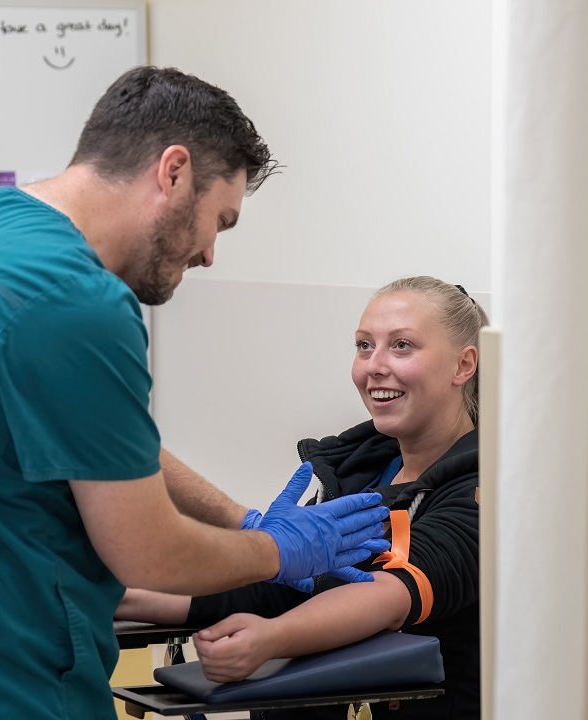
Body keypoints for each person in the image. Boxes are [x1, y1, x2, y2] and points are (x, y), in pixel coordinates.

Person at [0, 66, 390, 720]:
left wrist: (240, 517)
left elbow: (95, 441)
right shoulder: (76, 301)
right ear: (172, 172)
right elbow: (147, 550)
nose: (208, 255)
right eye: (220, 222)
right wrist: (282, 550)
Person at [118, 276, 488, 719]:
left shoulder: (486, 484)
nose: (374, 365)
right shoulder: (358, 469)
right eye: (364, 345)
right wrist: (117, 595)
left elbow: (386, 593)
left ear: (463, 365)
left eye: (402, 345)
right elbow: (279, 588)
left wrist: (271, 639)